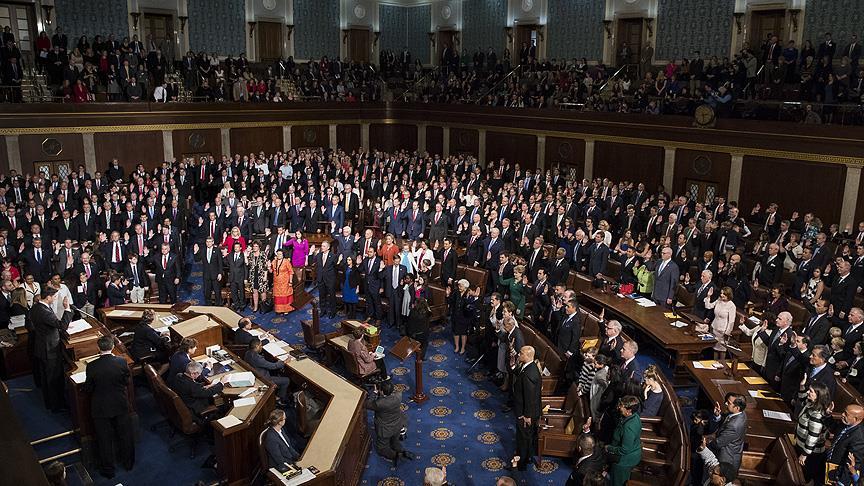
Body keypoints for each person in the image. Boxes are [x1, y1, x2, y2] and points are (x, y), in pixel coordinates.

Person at [83, 336, 134, 478]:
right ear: (112, 347)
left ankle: (108, 470)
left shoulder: (92, 366)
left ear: (98, 348)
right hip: (119, 403)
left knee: (104, 439)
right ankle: (128, 463)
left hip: (101, 407)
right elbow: (126, 381)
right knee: (125, 435)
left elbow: (88, 388)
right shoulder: (121, 362)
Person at [30, 286, 74, 411]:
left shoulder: (36, 307)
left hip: (42, 347)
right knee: (54, 379)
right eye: (54, 297)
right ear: (48, 297)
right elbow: (62, 325)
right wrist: (67, 309)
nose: (55, 299)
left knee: (47, 379)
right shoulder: (44, 311)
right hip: (49, 350)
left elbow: (50, 325)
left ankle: (50, 403)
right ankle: (57, 406)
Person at [366, 379, 415, 465]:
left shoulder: (379, 403)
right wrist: (382, 393)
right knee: (395, 442)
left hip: (385, 429)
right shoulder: (399, 395)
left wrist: (374, 392)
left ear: (381, 391)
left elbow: (367, 404)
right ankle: (403, 451)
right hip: (397, 425)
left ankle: (397, 455)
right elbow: (389, 395)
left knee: (382, 449)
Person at [511, 345, 541, 471]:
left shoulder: (530, 374)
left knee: (522, 439)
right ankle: (527, 457)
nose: (519, 355)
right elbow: (519, 372)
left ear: (527, 355)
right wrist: (513, 365)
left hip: (526, 413)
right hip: (527, 411)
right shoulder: (529, 366)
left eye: (521, 353)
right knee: (526, 437)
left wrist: (527, 415)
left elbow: (530, 397)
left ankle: (520, 464)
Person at [794, 382, 831, 484]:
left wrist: (804, 454)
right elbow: (802, 399)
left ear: (818, 395)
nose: (807, 392)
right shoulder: (811, 404)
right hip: (802, 445)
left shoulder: (817, 415)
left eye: (810, 391)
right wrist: (802, 386)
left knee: (802, 477)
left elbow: (812, 437)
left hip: (811, 454)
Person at [602, 395, 643, 486]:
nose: (619, 407)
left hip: (624, 460)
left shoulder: (628, 428)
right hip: (630, 453)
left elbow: (625, 450)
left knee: (618, 482)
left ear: (629, 411)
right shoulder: (635, 416)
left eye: (622, 406)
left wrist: (609, 448)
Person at [706, 393, 747, 475]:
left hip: (726, 460)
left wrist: (705, 442)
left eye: (728, 403)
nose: (725, 404)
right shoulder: (739, 413)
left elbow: (718, 443)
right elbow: (725, 420)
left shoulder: (734, 425)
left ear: (737, 408)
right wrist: (717, 415)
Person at [244, 338, 293, 406]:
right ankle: (279, 399)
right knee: (286, 380)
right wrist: (284, 362)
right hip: (264, 379)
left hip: (257, 376)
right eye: (261, 345)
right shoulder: (258, 358)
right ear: (257, 346)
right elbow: (273, 366)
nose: (262, 347)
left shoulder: (248, 353)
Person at [703, 286, 737, 359]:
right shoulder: (719, 301)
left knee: (722, 350)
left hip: (723, 332)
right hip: (714, 328)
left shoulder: (731, 306)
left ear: (728, 295)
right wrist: (708, 296)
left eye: (724, 294)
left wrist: (727, 333)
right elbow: (708, 306)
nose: (722, 295)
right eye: (721, 293)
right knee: (715, 349)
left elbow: (731, 321)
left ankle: (722, 366)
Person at [448, 279, 477, 354]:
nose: (459, 287)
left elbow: (470, 307)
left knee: (463, 333)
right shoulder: (456, 292)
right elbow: (451, 302)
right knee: (456, 332)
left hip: (464, 317)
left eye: (461, 286)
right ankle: (457, 346)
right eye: (458, 285)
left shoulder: (469, 294)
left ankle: (463, 348)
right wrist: (448, 295)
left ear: (465, 287)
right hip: (455, 315)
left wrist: (467, 299)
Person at [193, 237, 223, 306]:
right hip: (206, 275)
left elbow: (220, 263)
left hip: (215, 275)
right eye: (207, 241)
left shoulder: (217, 250)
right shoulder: (203, 250)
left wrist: (220, 273)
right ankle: (208, 305)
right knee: (207, 292)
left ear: (213, 242)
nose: (208, 243)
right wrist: (195, 252)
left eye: (210, 241)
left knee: (217, 291)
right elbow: (197, 259)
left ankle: (219, 305)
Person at [314, 241, 338, 318]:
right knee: (322, 296)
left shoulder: (333, 256)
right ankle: (323, 311)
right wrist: (311, 254)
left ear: (328, 247)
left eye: (324, 246)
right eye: (321, 246)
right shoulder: (318, 255)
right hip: (321, 279)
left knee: (331, 296)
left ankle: (332, 312)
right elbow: (312, 262)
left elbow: (336, 268)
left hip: (330, 279)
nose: (322, 247)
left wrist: (339, 261)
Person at [246, 241, 270, 313]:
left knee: (262, 291)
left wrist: (265, 276)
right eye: (253, 246)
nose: (254, 247)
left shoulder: (263, 254)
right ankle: (256, 307)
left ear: (259, 247)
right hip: (253, 275)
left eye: (256, 246)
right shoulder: (251, 254)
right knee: (254, 291)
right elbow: (249, 265)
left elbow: (266, 266)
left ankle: (263, 307)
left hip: (261, 275)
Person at [270, 249, 294, 313]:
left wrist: (290, 282)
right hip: (276, 282)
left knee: (285, 295)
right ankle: (279, 309)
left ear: (283, 255)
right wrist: (269, 266)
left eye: (280, 254)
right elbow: (271, 271)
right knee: (278, 296)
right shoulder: (274, 261)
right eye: (277, 254)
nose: (278, 255)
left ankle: (286, 309)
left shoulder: (286, 262)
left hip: (285, 282)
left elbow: (291, 272)